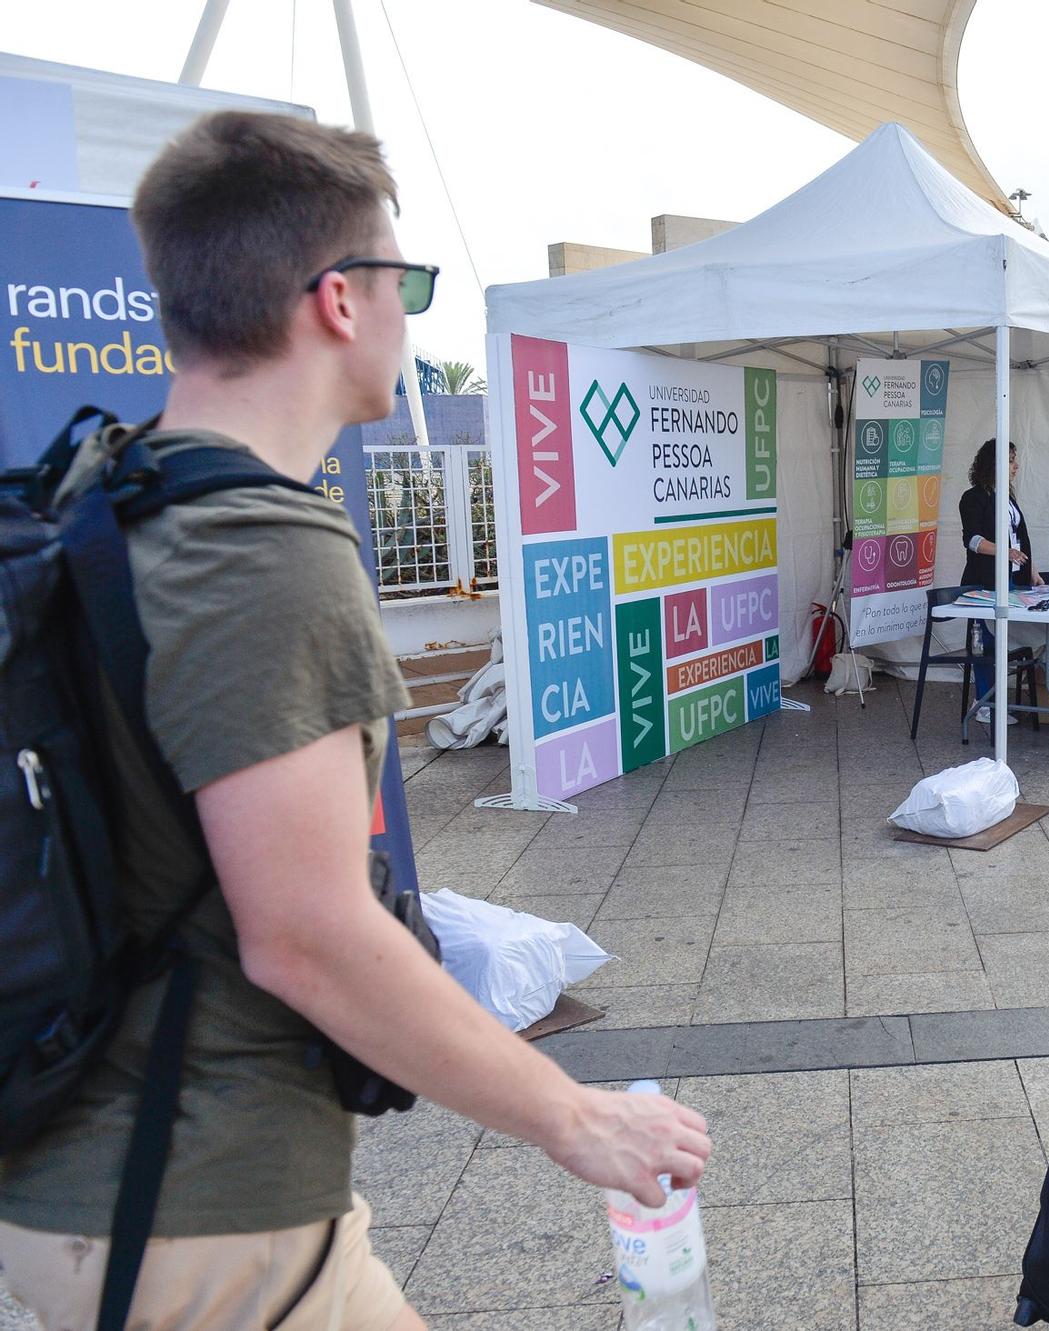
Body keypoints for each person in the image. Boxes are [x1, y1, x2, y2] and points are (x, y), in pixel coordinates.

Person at [0, 113, 711, 1330]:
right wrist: (578, 1115)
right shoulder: (264, 548)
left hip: (80, 1176)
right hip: (199, 1210)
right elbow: (308, 931)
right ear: (339, 298)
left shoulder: (106, 495)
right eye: (405, 281)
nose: (406, 313)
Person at [959, 437, 1042, 724]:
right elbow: (973, 540)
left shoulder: (1008, 499)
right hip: (983, 581)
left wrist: (1032, 570)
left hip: (1011, 579)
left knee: (1000, 640)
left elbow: (1020, 538)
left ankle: (996, 700)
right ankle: (985, 703)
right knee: (987, 641)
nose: (1016, 466)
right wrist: (1004, 552)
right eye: (1010, 460)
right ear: (993, 464)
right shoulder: (974, 497)